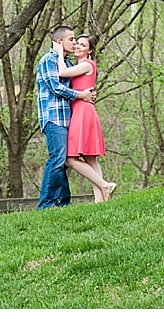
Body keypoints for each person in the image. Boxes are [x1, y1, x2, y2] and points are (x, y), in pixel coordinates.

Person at [35, 25, 96, 209]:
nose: (75, 43)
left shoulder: (68, 63)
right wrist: (80, 95)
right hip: (53, 118)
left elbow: (78, 85)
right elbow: (56, 87)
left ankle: (63, 202)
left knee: (64, 161)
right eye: (71, 39)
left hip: (69, 118)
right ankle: (45, 204)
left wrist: (89, 93)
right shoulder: (48, 60)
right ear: (59, 42)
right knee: (57, 159)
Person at [56, 34, 116, 202]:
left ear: (89, 50)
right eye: (77, 44)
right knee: (90, 158)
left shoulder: (87, 64)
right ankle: (101, 199)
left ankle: (104, 186)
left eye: (83, 45)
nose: (78, 47)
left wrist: (60, 52)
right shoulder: (82, 66)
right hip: (81, 110)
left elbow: (62, 72)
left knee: (71, 159)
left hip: (83, 112)